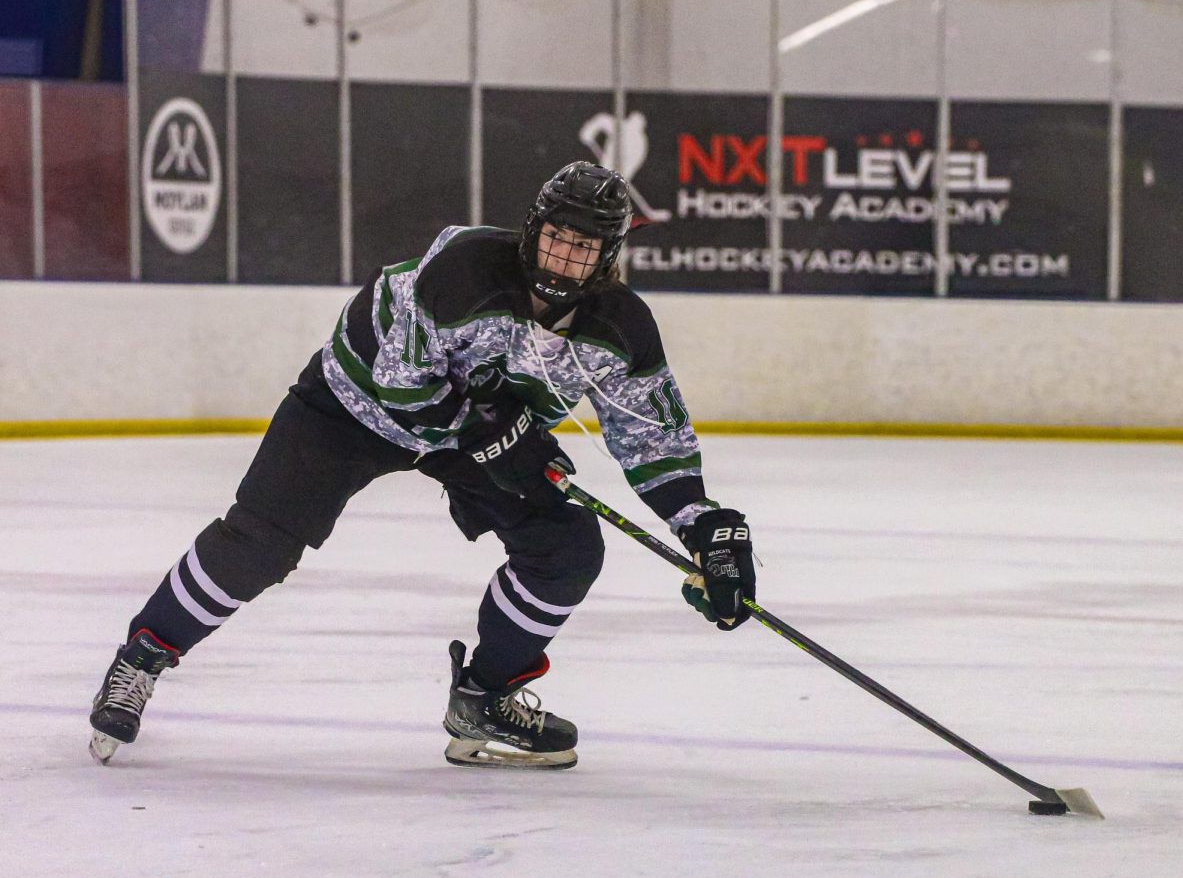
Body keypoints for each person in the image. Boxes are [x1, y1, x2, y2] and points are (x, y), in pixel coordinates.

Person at [89, 161, 757, 770]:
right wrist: (493, 432)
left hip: (474, 434)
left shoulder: (623, 327)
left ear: (609, 255)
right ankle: (143, 655)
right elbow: (402, 384)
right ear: (532, 231)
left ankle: (483, 697)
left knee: (566, 547)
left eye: (585, 246)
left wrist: (703, 525)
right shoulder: (464, 268)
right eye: (557, 235)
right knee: (259, 544)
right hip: (351, 406)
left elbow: (652, 438)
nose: (565, 255)